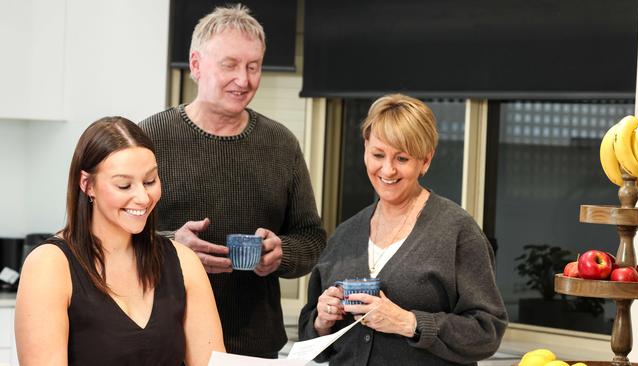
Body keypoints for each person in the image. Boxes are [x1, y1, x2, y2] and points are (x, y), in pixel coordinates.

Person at [139, 4, 326, 358]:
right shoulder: (150, 137)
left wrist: (281, 253)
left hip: (253, 348)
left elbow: (312, 238)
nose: (244, 79)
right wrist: (171, 248)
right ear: (195, 65)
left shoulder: (281, 144)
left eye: (253, 66)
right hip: (165, 343)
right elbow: (111, 237)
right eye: (230, 65)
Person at [298, 94, 508, 365]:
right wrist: (321, 320)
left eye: (402, 158)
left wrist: (408, 322)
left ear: (425, 160)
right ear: (365, 150)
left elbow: (487, 332)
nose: (387, 169)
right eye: (378, 154)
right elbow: (309, 340)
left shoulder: (458, 231)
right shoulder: (345, 235)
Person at [14, 117, 225, 366]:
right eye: (124, 185)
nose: (143, 198)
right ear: (87, 185)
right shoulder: (49, 266)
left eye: (150, 181)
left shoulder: (184, 262)